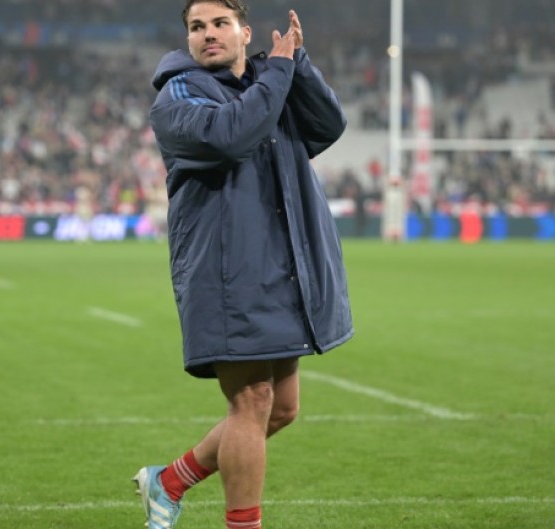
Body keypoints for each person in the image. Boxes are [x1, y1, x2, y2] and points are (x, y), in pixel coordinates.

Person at [134, 2, 353, 528]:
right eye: (196, 27)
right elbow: (230, 135)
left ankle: (169, 481)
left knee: (281, 409)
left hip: (283, 264)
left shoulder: (268, 83)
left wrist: (296, 64)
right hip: (227, 271)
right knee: (252, 400)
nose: (208, 35)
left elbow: (327, 125)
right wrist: (276, 73)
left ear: (244, 32)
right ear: (186, 38)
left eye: (219, 24)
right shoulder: (177, 94)